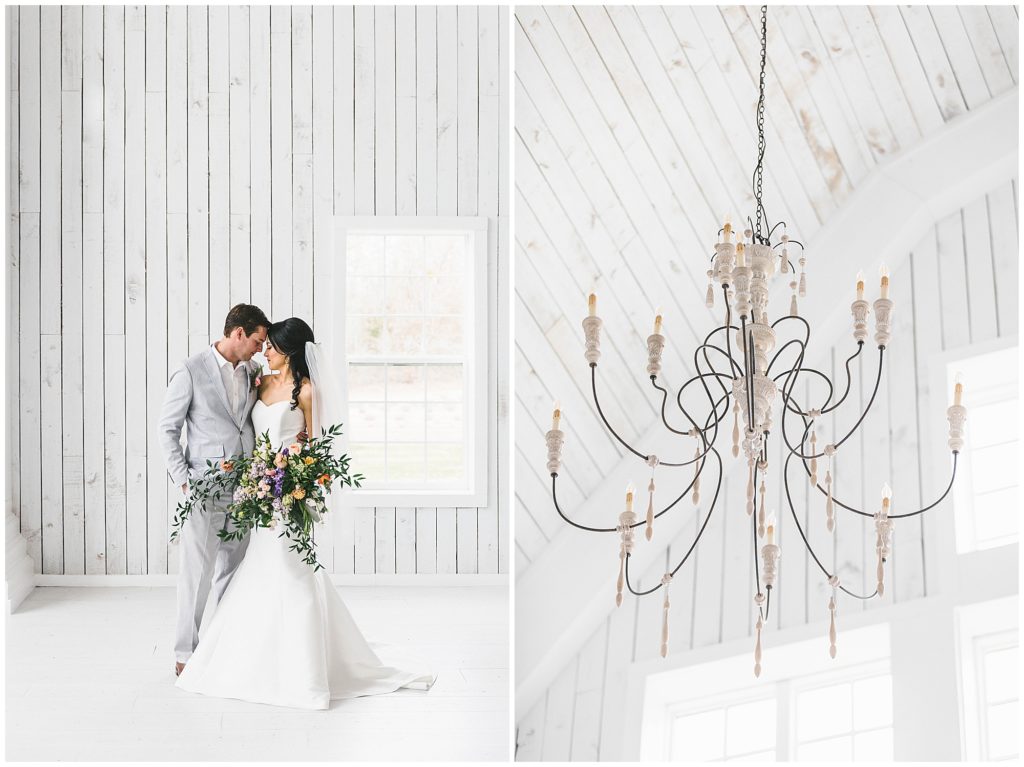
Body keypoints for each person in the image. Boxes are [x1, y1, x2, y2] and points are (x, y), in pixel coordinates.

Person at [174, 317, 434, 709]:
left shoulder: (307, 392)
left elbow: (316, 450)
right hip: (257, 493)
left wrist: (296, 482)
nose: (265, 352)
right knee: (256, 573)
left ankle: (304, 666)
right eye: (263, 346)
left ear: (291, 351)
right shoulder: (258, 382)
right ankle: (252, 655)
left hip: (289, 495)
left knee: (293, 573)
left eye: (272, 347)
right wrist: (257, 477)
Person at [158, 304, 270, 677]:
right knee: (196, 573)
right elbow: (167, 430)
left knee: (233, 571)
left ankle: (224, 644)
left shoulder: (254, 372)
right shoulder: (190, 371)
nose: (260, 348)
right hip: (204, 488)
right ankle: (185, 654)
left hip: (245, 487)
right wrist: (184, 480)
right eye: (257, 341)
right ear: (238, 333)